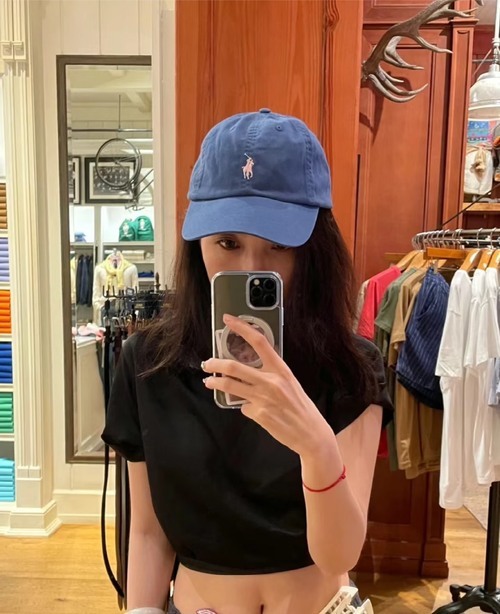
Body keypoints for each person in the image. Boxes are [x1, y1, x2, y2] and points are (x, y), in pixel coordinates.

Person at [102, 109, 393, 614]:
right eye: (228, 243)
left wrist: (316, 446)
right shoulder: (147, 364)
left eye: (279, 245)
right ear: (197, 244)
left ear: (313, 249)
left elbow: (340, 555)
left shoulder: (351, 366)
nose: (251, 268)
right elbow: (148, 534)